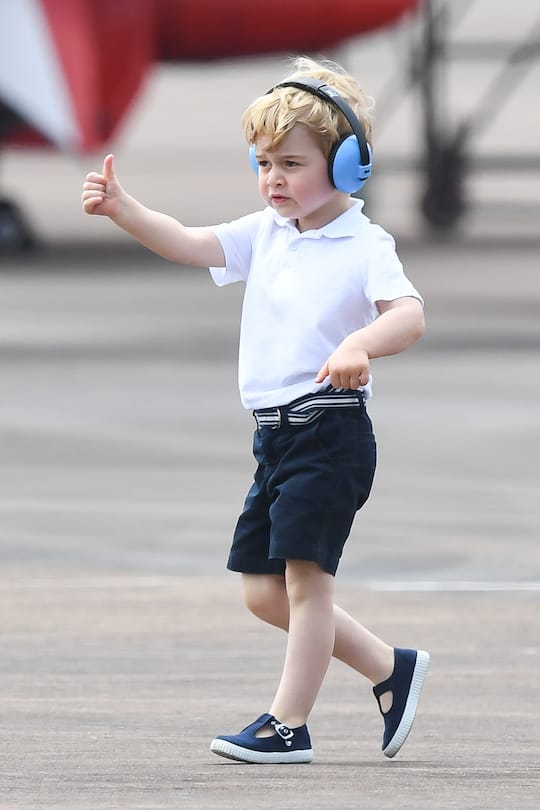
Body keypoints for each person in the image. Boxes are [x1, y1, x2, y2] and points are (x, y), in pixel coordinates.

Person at [81, 56, 429, 765]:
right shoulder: (267, 232)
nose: (273, 178)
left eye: (291, 163)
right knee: (263, 593)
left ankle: (287, 724)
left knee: (305, 583)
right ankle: (391, 668)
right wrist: (125, 210)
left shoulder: (364, 244)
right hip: (274, 438)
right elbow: (188, 241)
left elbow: (411, 315)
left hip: (330, 430)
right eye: (263, 162)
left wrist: (362, 341)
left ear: (350, 166)